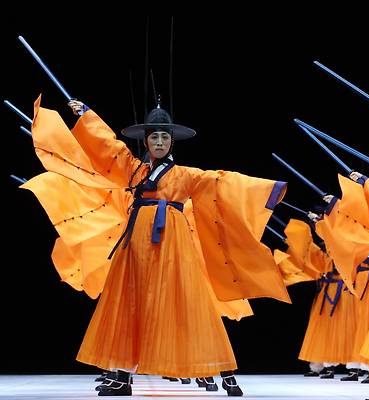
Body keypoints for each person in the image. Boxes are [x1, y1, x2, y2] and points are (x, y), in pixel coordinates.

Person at [26, 96, 289, 396]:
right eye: (155, 137)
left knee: (185, 301)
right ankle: (123, 376)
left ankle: (218, 370)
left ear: (172, 142)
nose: (160, 141)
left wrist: (267, 189)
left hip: (172, 244)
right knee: (128, 300)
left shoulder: (186, 175)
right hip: (136, 240)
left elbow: (221, 182)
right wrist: (87, 115)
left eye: (165, 137)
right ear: (147, 142)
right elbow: (109, 149)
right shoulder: (134, 170)